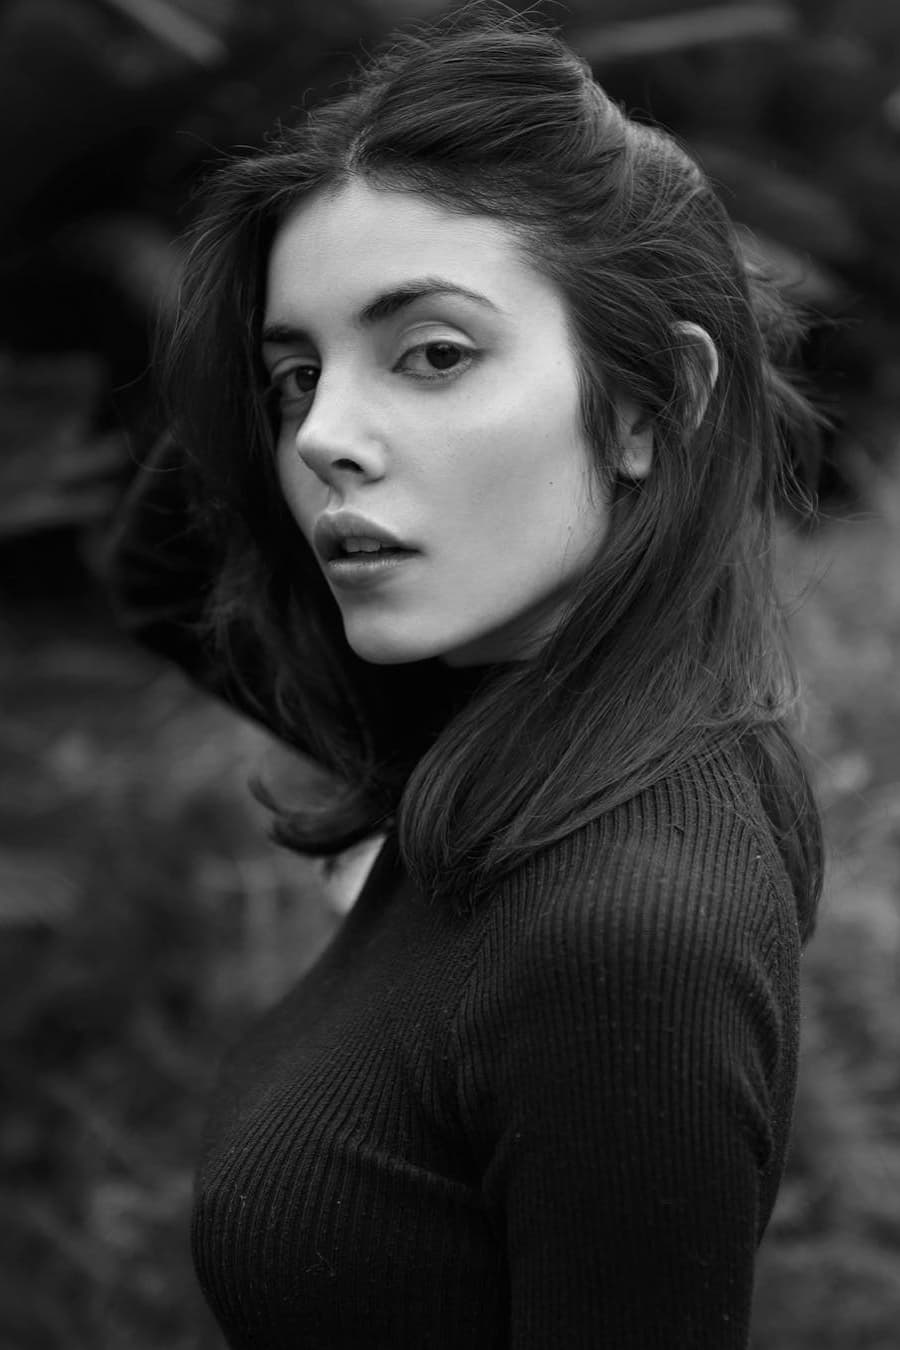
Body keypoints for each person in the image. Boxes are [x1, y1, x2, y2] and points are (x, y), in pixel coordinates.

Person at [106, 10, 824, 1348]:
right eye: (294, 378)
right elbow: (164, 571)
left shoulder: (626, 937)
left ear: (651, 404)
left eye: (434, 353)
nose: (320, 438)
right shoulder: (500, 725)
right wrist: (355, 177)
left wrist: (600, 199)